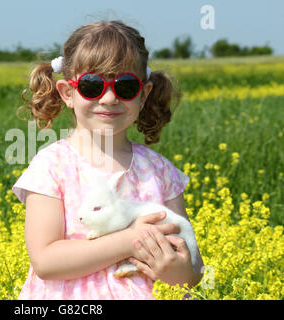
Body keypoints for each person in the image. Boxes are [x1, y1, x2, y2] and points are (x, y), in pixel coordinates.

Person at [12, 20, 204, 299]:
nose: (110, 98)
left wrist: (178, 272)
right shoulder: (51, 167)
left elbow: (191, 269)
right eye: (92, 86)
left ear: (143, 94)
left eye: (125, 86)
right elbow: (46, 261)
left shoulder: (161, 172)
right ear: (68, 93)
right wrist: (130, 241)